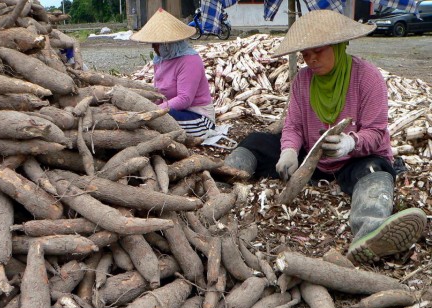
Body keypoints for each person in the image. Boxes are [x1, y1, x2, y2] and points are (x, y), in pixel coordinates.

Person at [224, 10, 427, 264]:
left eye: (318, 51)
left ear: (338, 45)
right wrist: (288, 150)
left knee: (376, 171)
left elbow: (376, 133)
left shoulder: (367, 77)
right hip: (313, 157)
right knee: (255, 142)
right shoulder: (302, 81)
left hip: (356, 159)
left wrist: (350, 143)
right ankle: (223, 179)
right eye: (306, 54)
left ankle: (371, 230)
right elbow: (294, 126)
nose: (311, 59)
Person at [130, 8, 216, 138]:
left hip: (199, 119)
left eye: (156, 43)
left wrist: (155, 112)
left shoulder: (190, 60)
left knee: (155, 120)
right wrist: (148, 107)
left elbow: (184, 99)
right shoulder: (160, 60)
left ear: (168, 44)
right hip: (175, 111)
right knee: (145, 119)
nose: (153, 47)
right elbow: (158, 93)